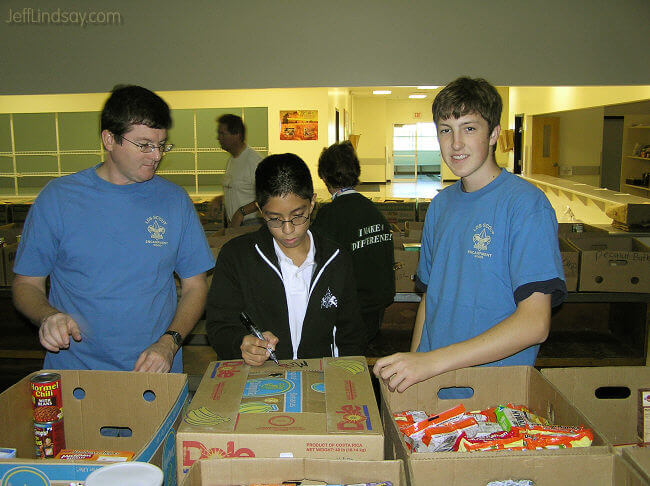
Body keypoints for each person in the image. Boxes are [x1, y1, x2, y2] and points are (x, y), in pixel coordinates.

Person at [374, 77, 567, 393]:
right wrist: (415, 364)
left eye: (469, 128)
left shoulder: (525, 205)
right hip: (433, 389)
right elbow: (430, 301)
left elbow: (535, 324)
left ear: (493, 134)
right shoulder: (441, 205)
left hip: (493, 396)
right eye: (446, 130)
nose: (456, 144)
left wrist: (433, 362)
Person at [12, 85, 215, 373]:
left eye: (162, 145)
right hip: (76, 372)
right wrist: (48, 316)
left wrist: (169, 343)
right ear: (109, 139)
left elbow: (195, 286)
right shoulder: (58, 198)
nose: (156, 155)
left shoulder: (174, 200)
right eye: (144, 145)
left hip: (154, 371)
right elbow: (26, 284)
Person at [205, 153, 366, 365]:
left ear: (312, 204)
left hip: (322, 380)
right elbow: (219, 326)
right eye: (275, 219)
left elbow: (351, 334)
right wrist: (241, 343)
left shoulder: (336, 259)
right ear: (261, 212)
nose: (288, 230)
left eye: (298, 216)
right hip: (261, 383)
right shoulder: (237, 257)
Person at [311, 141, 395, 350]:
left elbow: (316, 265)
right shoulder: (373, 211)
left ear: (323, 176)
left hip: (350, 313)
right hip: (377, 306)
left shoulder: (328, 216)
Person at [211, 114, 263, 227]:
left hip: (251, 226)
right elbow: (240, 191)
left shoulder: (254, 162)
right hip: (235, 225)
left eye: (222, 133)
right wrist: (219, 199)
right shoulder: (232, 160)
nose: (218, 138)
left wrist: (241, 212)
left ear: (237, 135)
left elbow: (266, 197)